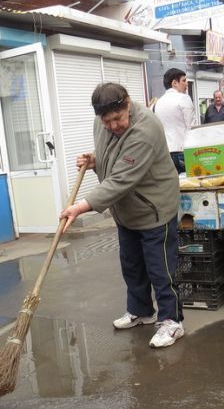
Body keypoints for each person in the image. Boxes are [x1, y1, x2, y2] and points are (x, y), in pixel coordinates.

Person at [60, 82, 184, 348]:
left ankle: (172, 322)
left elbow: (121, 178)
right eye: (107, 122)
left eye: (118, 118)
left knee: (161, 270)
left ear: (127, 103)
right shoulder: (103, 123)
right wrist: (95, 160)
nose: (114, 125)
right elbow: (112, 155)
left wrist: (82, 206)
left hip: (153, 208)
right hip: (126, 210)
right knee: (132, 265)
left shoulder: (146, 128)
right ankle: (141, 311)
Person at [154, 68, 197, 174]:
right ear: (174, 83)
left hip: (164, 154)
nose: (186, 84)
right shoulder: (183, 98)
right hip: (182, 151)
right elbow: (192, 127)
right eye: (184, 80)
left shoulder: (157, 103)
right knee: (189, 186)